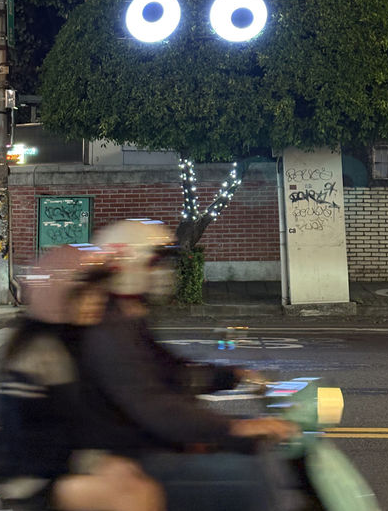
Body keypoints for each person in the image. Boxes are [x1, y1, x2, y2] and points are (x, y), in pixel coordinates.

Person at [78, 219, 299, 511]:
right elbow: (153, 405)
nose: (164, 273)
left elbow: (173, 371)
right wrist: (233, 428)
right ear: (128, 264)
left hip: (145, 441)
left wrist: (232, 376)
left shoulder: (129, 316)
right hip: (128, 454)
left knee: (248, 452)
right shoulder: (108, 327)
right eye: (155, 263)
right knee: (248, 476)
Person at [0, 243, 165, 511]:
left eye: (99, 293)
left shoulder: (77, 339)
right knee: (134, 496)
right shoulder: (41, 352)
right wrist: (96, 461)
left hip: (68, 462)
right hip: (34, 479)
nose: (98, 301)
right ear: (59, 296)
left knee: (141, 481)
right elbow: (43, 434)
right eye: (88, 294)